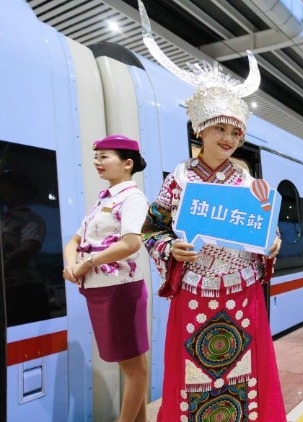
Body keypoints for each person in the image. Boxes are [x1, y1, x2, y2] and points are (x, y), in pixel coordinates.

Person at [138, 6, 286, 419]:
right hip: (195, 295)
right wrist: (170, 250)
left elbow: (268, 237)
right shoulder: (178, 181)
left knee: (246, 379)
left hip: (243, 293)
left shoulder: (251, 185)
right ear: (200, 128)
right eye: (220, 128)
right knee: (192, 377)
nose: (229, 138)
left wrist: (271, 246)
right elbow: (150, 231)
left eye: (236, 132)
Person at [63, 135, 150, 422]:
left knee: (133, 367)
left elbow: (130, 244)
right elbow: (74, 241)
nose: (96, 162)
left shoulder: (133, 199)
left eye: (104, 157)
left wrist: (87, 262)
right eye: (96, 157)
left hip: (121, 291)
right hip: (101, 290)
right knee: (129, 364)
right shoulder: (103, 201)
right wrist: (71, 265)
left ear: (127, 164)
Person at [0, 171, 49, 326]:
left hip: (25, 288)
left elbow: (29, 247)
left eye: (8, 188)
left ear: (20, 191)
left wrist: (5, 265)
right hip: (7, 287)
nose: (3, 192)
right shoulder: (4, 219)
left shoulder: (30, 218)